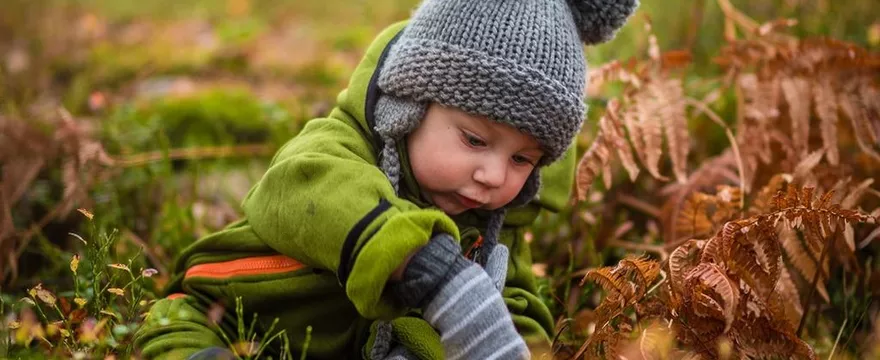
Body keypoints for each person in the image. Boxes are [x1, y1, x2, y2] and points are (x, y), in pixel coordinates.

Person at [133, 0, 637, 359]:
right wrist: (423, 265)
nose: (492, 175)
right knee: (180, 336)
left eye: (523, 160)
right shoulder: (340, 147)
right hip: (224, 307)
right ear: (408, 108)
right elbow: (296, 187)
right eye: (475, 141)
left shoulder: (492, 225)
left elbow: (515, 305)